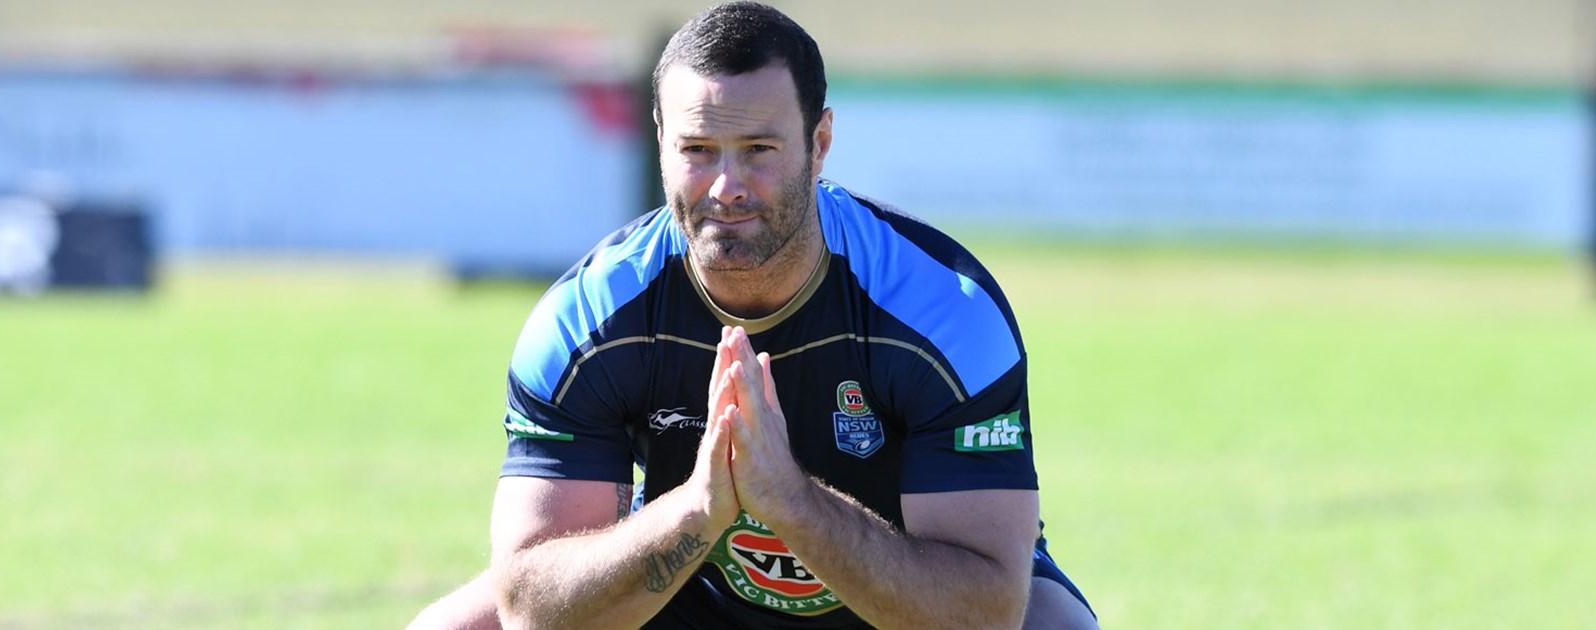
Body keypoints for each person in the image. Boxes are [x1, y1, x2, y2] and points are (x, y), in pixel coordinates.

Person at [411, 3, 1098, 628]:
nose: (726, 187)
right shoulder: (586, 322)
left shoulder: (944, 313)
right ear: (661, 142)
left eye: (759, 151)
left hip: (896, 602)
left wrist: (791, 501)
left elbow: (986, 613)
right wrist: (698, 507)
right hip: (682, 592)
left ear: (819, 142)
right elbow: (532, 611)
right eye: (698, 150)